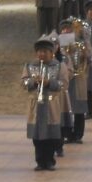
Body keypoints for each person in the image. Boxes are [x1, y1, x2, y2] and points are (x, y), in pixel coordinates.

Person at [22, 34, 68, 171]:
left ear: (51, 53)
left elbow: (64, 84)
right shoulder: (30, 66)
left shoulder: (59, 66)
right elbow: (23, 82)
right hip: (36, 105)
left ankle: (49, 161)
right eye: (39, 51)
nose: (42, 54)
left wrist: (50, 83)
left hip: (51, 105)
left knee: (50, 135)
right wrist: (32, 82)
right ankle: (39, 161)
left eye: (45, 51)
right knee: (37, 135)